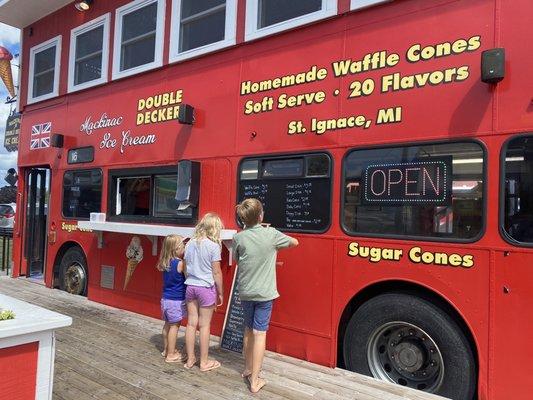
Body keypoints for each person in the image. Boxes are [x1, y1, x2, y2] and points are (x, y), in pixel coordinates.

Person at [233, 198, 299, 393]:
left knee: (247, 329)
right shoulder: (271, 234)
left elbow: (237, 259)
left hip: (245, 292)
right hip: (264, 293)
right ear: (261, 216)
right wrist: (274, 247)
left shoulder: (239, 237)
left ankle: (247, 368)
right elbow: (295, 242)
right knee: (259, 333)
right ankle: (255, 380)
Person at [183, 213, 224, 371]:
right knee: (204, 326)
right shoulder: (214, 246)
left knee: (191, 324)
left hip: (190, 286)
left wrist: (190, 279)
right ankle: (204, 362)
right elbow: (217, 273)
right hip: (206, 288)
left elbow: (185, 268)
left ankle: (190, 359)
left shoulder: (189, 243)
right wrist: (220, 293)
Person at [157, 234, 187, 363]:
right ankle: (171, 354)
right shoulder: (180, 264)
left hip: (165, 300)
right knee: (175, 327)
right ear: (176, 249)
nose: (185, 248)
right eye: (183, 245)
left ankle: (166, 349)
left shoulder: (165, 263)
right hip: (176, 301)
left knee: (167, 325)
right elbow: (188, 276)